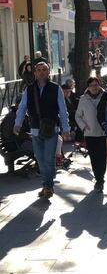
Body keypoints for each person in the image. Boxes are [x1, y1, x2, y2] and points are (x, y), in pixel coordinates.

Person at [14, 62, 70, 199]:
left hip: (52, 129)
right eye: (39, 70)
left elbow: (63, 110)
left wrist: (66, 128)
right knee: (39, 159)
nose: (41, 72)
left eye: (44, 70)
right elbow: (22, 108)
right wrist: (17, 124)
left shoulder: (56, 88)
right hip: (35, 129)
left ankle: (48, 186)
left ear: (48, 72)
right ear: (35, 73)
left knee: (48, 159)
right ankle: (46, 184)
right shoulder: (29, 89)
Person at [75, 77, 107, 192]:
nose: (94, 87)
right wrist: (83, 127)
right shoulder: (83, 99)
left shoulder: (105, 96)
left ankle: (101, 178)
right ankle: (98, 179)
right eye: (91, 85)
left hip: (103, 133)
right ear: (88, 87)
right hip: (90, 134)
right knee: (94, 158)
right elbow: (77, 116)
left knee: (102, 157)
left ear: (99, 85)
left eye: (96, 84)